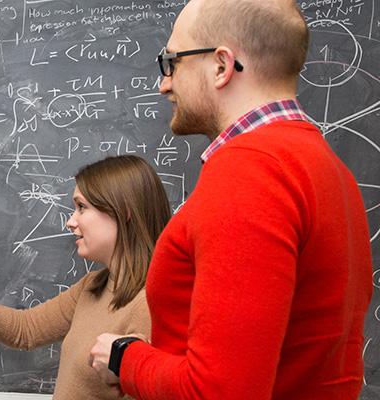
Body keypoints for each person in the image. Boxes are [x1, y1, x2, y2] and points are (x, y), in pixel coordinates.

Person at [88, 1, 374, 399]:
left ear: (222, 66)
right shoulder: (331, 171)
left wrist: (127, 359)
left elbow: (220, 392)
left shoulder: (248, 171)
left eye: (173, 62)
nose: (164, 84)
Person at [0, 154, 172, 400]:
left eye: (82, 207)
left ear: (122, 212)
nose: (70, 221)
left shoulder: (151, 306)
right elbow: (26, 330)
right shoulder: (93, 286)